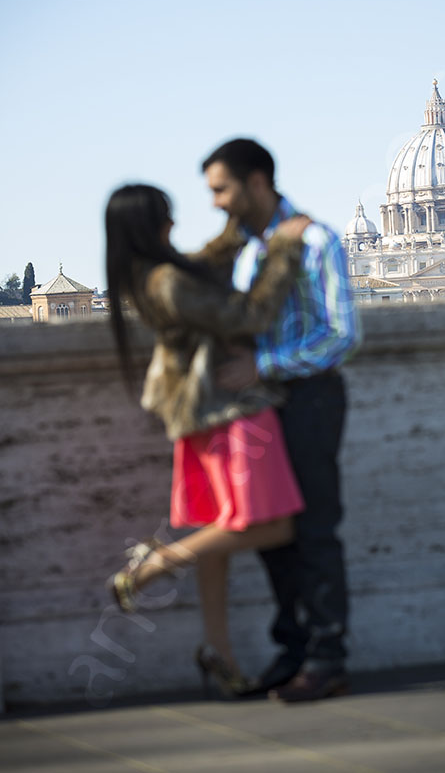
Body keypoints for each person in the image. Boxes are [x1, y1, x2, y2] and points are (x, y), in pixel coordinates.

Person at [104, 183, 311, 697]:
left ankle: (219, 651)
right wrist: (283, 247)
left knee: (218, 530)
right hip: (229, 409)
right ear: (149, 226)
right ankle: (151, 566)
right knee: (275, 526)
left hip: (197, 415)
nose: (174, 226)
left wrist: (235, 231)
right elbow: (249, 316)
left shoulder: (149, 277)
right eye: (166, 218)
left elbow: (204, 268)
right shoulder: (168, 281)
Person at [201, 138, 360, 703]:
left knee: (315, 528)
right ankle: (293, 651)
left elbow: (341, 334)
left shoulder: (317, 239)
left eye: (222, 189)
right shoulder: (242, 251)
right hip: (258, 408)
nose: (216, 202)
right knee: (272, 531)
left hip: (309, 398)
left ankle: (326, 657)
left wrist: (262, 365)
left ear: (257, 182)